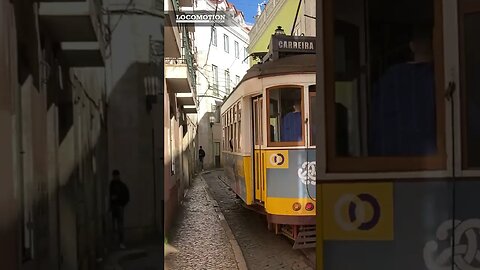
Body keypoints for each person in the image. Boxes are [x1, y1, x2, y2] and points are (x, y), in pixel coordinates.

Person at [370, 28, 436, 156]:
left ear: (412, 46)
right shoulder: (441, 77)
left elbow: (378, 122)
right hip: (432, 158)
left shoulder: (390, 78)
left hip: (393, 158)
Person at [109, 169, 129, 249]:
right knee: (114, 225)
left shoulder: (121, 185)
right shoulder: (112, 184)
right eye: (114, 176)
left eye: (116, 176)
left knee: (119, 225)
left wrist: (122, 203)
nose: (115, 177)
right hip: (115, 206)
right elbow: (110, 195)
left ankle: (121, 242)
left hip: (119, 206)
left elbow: (126, 195)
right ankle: (117, 243)